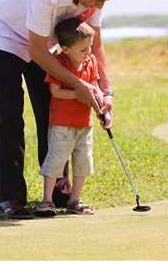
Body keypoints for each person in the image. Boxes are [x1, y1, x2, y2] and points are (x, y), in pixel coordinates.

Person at [0, 0, 119, 219]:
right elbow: (35, 51)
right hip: (8, 38)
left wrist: (105, 91)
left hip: (44, 44)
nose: (99, 6)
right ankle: (11, 197)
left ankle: (58, 191)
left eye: (105, 1)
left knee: (53, 113)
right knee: (10, 116)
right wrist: (79, 84)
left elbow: (97, 46)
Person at [34, 18, 111, 217]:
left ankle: (74, 200)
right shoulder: (59, 63)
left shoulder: (91, 61)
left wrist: (102, 108)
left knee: (83, 162)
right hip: (62, 125)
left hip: (84, 125)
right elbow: (56, 92)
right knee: (56, 161)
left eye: (90, 48)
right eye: (83, 50)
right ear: (66, 50)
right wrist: (79, 94)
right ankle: (47, 200)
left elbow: (95, 86)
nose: (88, 54)